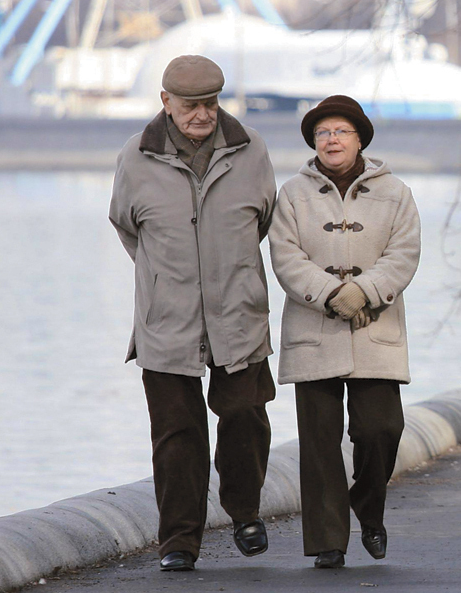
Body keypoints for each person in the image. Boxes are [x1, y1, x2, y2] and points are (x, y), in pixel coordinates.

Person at [109, 55, 276, 572]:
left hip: (239, 314)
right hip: (166, 322)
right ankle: (179, 541)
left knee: (246, 416)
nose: (202, 114)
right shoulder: (136, 155)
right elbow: (127, 226)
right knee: (176, 435)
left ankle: (244, 512)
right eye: (190, 105)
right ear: (166, 102)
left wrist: (228, 268)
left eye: (210, 103)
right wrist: (166, 277)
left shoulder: (250, 149)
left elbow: (263, 219)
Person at [268, 95, 421, 569]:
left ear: (359, 140)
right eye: (323, 133)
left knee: (381, 430)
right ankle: (328, 542)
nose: (331, 140)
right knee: (319, 443)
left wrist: (364, 291)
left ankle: (369, 510)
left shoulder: (395, 192)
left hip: (376, 330)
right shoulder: (293, 193)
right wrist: (333, 293)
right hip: (313, 330)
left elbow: (404, 253)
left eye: (340, 131)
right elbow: (285, 256)